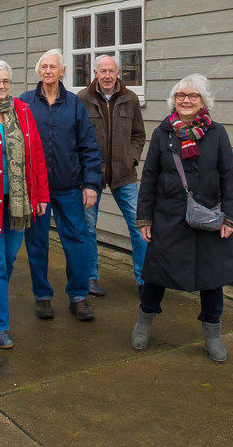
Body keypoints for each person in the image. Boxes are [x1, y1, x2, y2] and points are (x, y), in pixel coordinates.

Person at [131, 74, 233, 363]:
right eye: (181, 96)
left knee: (211, 279)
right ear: (173, 101)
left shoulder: (217, 133)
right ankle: (144, 320)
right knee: (156, 276)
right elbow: (150, 177)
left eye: (193, 96)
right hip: (168, 217)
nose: (186, 100)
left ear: (203, 101)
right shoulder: (163, 133)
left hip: (208, 220)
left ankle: (212, 335)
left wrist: (230, 219)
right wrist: (145, 219)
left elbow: (229, 177)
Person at [19, 49, 102, 322]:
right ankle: (42, 296)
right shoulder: (25, 103)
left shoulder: (75, 105)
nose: (48, 71)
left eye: (53, 66)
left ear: (62, 71)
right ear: (38, 71)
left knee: (77, 242)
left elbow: (88, 146)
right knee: (37, 243)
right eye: (43, 66)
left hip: (69, 188)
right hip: (37, 191)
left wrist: (90, 183)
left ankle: (78, 296)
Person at [0, 59, 49, 349]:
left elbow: (37, 155)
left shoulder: (23, 110)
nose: (2, 86)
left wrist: (41, 195)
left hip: (19, 203)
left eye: (6, 81)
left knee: (8, 260)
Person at [78, 55, 147, 297]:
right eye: (103, 71)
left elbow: (139, 135)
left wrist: (132, 158)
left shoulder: (130, 99)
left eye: (112, 71)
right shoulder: (82, 99)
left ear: (118, 73)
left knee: (140, 226)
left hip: (124, 173)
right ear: (95, 73)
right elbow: (76, 138)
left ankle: (144, 279)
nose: (107, 75)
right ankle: (90, 278)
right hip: (91, 175)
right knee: (87, 228)